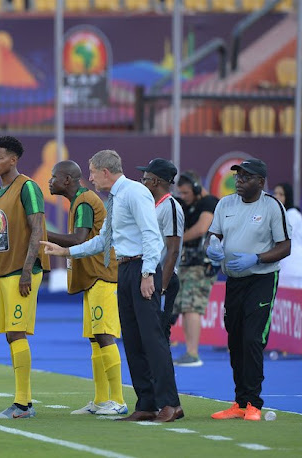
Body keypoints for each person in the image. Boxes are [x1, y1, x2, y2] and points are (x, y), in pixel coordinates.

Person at [42, 149, 183, 423]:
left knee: (152, 340)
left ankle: (171, 404)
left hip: (142, 267)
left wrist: (146, 274)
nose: (90, 178)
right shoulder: (116, 197)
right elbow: (102, 241)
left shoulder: (134, 192)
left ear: (106, 172)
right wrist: (64, 252)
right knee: (132, 339)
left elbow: (151, 236)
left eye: (92, 172)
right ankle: (146, 403)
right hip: (125, 268)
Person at [208, 159, 291, 421]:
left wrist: (256, 258)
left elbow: (285, 246)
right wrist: (213, 245)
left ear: (261, 182)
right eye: (237, 176)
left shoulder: (271, 206)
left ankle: (254, 402)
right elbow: (216, 235)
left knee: (252, 339)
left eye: (246, 177)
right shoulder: (225, 204)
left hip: (261, 279)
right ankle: (240, 402)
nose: (239, 181)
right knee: (235, 340)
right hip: (234, 280)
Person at [0, 136, 50, 420]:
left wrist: (26, 271)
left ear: (13, 160)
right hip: (3, 271)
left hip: (24, 272)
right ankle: (23, 401)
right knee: (11, 335)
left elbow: (37, 229)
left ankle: (23, 405)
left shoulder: (28, 188)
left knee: (17, 332)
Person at [46, 160, 126, 416]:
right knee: (94, 338)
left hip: (103, 276)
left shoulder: (84, 202)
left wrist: (41, 233)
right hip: (93, 277)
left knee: (104, 336)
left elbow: (79, 240)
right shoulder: (81, 201)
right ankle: (101, 400)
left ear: (67, 180)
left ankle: (119, 400)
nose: (50, 181)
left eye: (53, 177)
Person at [137, 159, 184, 342]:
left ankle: (164, 371)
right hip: (150, 276)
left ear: (156, 181)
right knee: (147, 335)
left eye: (145, 178)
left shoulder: (171, 207)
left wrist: (161, 287)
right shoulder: (151, 205)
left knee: (159, 334)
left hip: (162, 278)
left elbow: (173, 250)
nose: (143, 182)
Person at [175, 171, 218, 367]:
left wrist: (179, 239)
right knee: (185, 307)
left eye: (185, 193)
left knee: (192, 307)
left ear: (196, 188)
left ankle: (193, 352)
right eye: (180, 194)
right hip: (185, 263)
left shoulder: (209, 202)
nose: (183, 197)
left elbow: (202, 228)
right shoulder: (187, 204)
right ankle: (189, 351)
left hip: (201, 264)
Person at [273, 183, 302, 288]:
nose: (277, 196)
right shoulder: (281, 214)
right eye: (275, 193)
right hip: (284, 265)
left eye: (281, 194)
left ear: (288, 197)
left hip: (293, 266)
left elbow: (282, 234)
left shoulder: (293, 215)